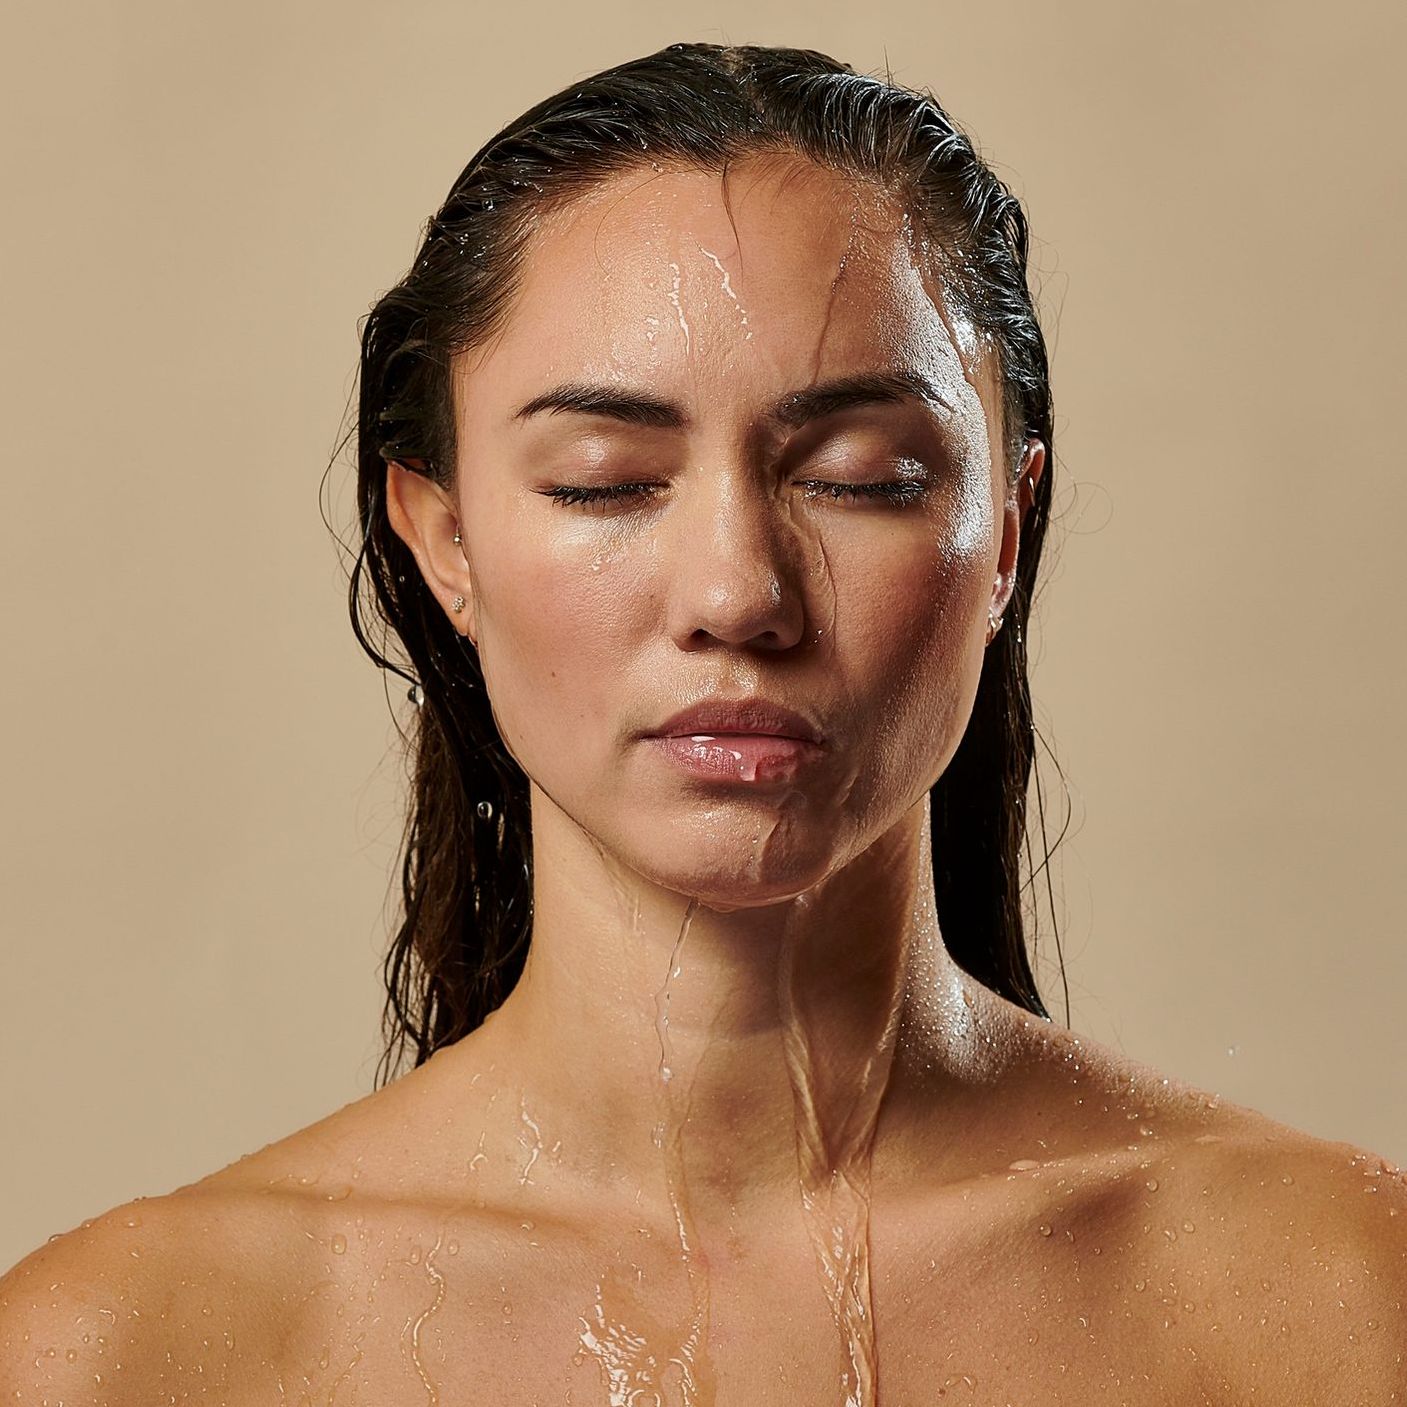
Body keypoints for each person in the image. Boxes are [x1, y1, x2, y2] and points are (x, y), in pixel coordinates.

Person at [3, 41, 1403, 1405]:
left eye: (860, 476)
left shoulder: (1343, 1301)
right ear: (442, 542)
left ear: (1007, 535)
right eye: (607, 482)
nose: (738, 594)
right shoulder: (114, 1355)